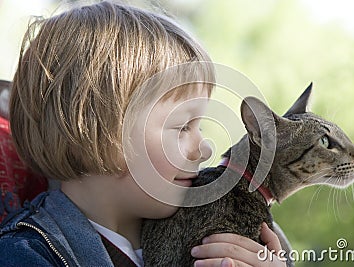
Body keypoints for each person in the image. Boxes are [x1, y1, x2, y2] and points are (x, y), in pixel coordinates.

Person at [0, 2, 285, 266]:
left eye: (201, 125)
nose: (204, 149)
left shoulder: (222, 229)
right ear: (99, 130)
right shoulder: (26, 254)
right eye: (183, 126)